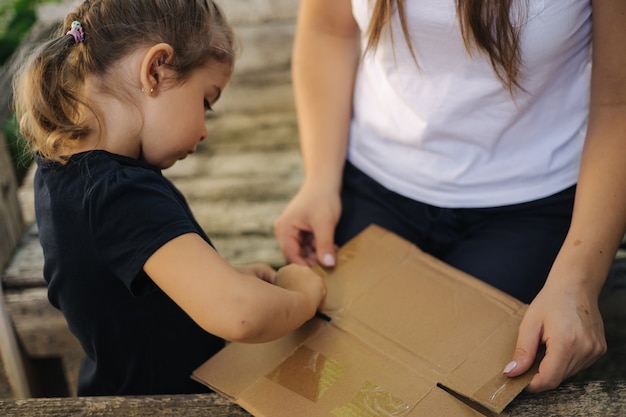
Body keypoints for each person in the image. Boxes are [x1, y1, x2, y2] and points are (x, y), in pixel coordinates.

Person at [274, 0, 626, 393]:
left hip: (531, 205)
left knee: (454, 390)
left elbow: (618, 102)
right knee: (328, 380)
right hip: (372, 180)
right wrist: (320, 181)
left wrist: (579, 281)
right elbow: (327, 30)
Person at [12, 0, 326, 396]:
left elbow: (124, 286)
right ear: (156, 70)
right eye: (206, 102)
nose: (204, 130)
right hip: (168, 402)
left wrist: (226, 276)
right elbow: (241, 315)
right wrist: (304, 296)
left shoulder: (63, 170)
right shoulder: (117, 193)